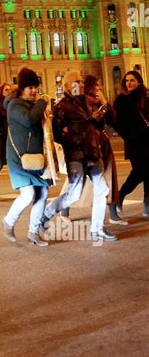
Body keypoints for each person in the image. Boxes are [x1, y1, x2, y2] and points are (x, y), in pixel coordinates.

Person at [40, 71, 118, 243]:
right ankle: (47, 212)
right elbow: (58, 134)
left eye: (82, 82)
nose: (82, 85)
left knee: (102, 189)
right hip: (76, 155)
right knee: (73, 194)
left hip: (92, 152)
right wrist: (77, 131)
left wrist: (98, 115)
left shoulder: (88, 103)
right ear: (67, 86)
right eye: (77, 82)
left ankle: (97, 229)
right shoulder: (61, 107)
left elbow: (101, 124)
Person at [60, 76, 126, 225]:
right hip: (87, 146)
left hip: (103, 144)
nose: (98, 88)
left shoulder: (97, 101)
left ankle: (113, 214)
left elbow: (113, 119)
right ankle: (63, 209)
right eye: (95, 85)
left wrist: (103, 101)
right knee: (77, 180)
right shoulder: (81, 103)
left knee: (109, 179)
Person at [2, 68, 50, 246]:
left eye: (35, 87)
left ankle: (33, 232)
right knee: (28, 194)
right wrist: (43, 103)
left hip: (35, 159)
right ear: (22, 88)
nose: (34, 90)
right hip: (18, 159)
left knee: (43, 193)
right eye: (30, 87)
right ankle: (8, 221)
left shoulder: (34, 105)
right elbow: (29, 120)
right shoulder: (14, 105)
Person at [113, 69, 149, 217]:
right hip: (134, 143)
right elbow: (117, 123)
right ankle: (120, 195)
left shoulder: (145, 98)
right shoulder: (121, 100)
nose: (129, 83)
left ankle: (147, 204)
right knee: (139, 172)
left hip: (148, 140)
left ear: (138, 81)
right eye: (127, 80)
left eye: (132, 80)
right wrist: (129, 136)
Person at [0, 82, 12, 166]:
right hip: (5, 136)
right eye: (6, 90)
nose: (9, 91)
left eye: (10, 89)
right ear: (1, 92)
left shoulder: (13, 103)